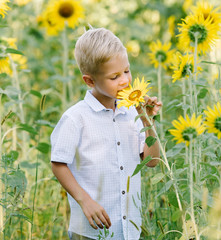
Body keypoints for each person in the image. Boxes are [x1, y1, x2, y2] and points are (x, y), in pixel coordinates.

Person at [50, 27, 162, 240]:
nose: (125, 81)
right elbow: (58, 164)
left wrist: (147, 120)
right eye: (114, 77)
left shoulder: (132, 113)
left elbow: (152, 161)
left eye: (127, 71)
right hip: (90, 231)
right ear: (90, 81)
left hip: (128, 228)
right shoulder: (76, 118)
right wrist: (85, 201)